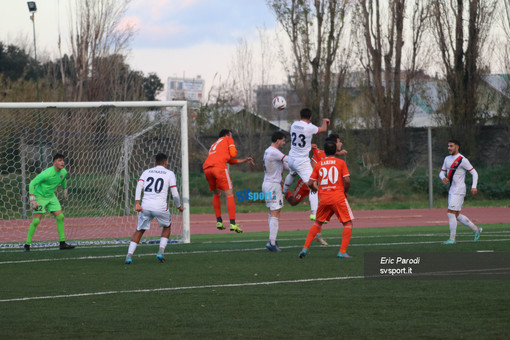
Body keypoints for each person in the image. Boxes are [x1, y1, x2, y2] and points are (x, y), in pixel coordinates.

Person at [286, 133, 348, 246]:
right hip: (308, 183)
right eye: (339, 141)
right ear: (333, 144)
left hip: (319, 187)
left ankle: (318, 235)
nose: (341, 143)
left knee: (322, 210)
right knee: (293, 202)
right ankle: (283, 189)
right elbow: (314, 156)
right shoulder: (319, 152)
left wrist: (340, 153)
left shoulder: (331, 155)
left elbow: (329, 155)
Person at [298, 141, 354, 259]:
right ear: (335, 151)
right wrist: (345, 191)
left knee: (317, 223)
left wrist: (313, 188)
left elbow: (310, 182)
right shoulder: (340, 162)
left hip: (323, 199)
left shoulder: (319, 164)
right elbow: (347, 180)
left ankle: (305, 248)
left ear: (325, 151)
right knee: (347, 223)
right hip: (338, 197)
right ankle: (342, 251)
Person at [125, 153, 183, 264]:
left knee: (140, 230)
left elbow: (139, 186)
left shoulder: (146, 172)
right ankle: (160, 251)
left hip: (145, 206)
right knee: (167, 226)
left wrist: (137, 203)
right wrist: (178, 206)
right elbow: (174, 193)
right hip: (160, 207)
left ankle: (129, 256)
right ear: (165, 163)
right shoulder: (169, 173)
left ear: (155, 162)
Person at [282, 108, 330, 223]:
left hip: (291, 158)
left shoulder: (294, 125)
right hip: (301, 161)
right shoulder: (310, 127)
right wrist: (325, 121)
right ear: (310, 118)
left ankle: (283, 191)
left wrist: (308, 143)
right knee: (313, 185)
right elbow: (323, 129)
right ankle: (314, 213)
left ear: (299, 116)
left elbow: (297, 137)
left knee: (292, 174)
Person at [203, 129, 255, 233]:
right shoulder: (228, 139)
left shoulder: (215, 144)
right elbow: (233, 154)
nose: (232, 138)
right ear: (227, 135)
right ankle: (233, 224)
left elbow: (228, 160)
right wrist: (233, 148)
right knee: (229, 194)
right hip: (219, 168)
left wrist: (244, 160)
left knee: (216, 193)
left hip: (207, 168)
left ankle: (219, 221)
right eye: (231, 135)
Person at [24, 153, 74, 251]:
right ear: (54, 162)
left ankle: (62, 243)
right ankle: (27, 245)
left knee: (60, 216)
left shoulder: (63, 171)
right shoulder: (47, 173)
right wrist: (32, 199)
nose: (62, 162)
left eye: (63, 160)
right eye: (59, 160)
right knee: (36, 220)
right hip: (40, 196)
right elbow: (32, 183)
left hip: (51, 196)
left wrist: (65, 190)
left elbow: (63, 179)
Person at [439, 139, 482, 244]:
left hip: (459, 190)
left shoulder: (462, 160)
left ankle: (452, 239)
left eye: (451, 146)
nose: (449, 148)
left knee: (450, 213)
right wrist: (442, 178)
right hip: (451, 190)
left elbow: (474, 173)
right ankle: (476, 229)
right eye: (448, 146)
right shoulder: (447, 158)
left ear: (457, 147)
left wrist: (474, 186)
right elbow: (441, 172)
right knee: (456, 215)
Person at [262, 131, 289, 252]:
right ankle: (272, 242)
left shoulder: (269, 151)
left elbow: (285, 166)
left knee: (273, 212)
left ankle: (272, 238)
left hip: (268, 183)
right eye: (283, 140)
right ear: (278, 140)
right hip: (273, 185)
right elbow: (289, 160)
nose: (284, 143)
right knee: (276, 212)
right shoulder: (274, 152)